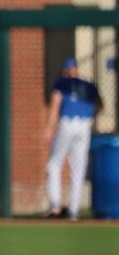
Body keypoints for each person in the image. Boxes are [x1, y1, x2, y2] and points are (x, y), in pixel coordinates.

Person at [44, 57, 102, 221]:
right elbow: (99, 106)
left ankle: (55, 204)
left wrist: (49, 128)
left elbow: (55, 105)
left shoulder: (61, 84)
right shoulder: (88, 84)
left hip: (67, 123)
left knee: (54, 164)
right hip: (84, 125)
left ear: (65, 71)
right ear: (76, 70)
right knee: (78, 168)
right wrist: (88, 115)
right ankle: (74, 211)